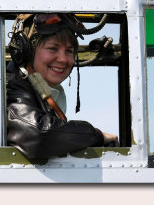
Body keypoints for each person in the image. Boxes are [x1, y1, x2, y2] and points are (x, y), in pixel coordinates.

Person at [6, 13, 118, 159]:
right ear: (28, 51)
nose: (63, 59)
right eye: (53, 48)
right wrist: (96, 135)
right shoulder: (11, 86)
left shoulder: (36, 89)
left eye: (69, 51)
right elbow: (37, 136)